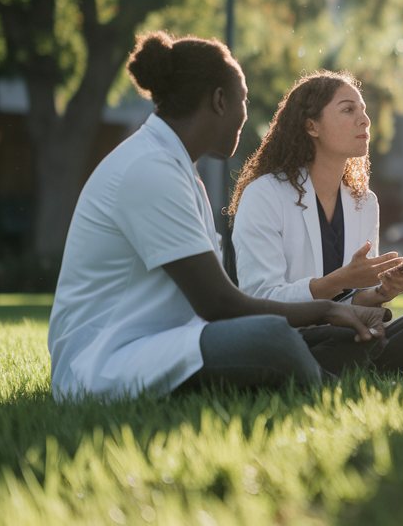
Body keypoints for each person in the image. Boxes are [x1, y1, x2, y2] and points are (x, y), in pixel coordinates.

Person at [48, 32, 385, 401]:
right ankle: (336, 387)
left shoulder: (177, 170)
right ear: (220, 100)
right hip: (105, 362)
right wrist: (327, 311)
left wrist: (337, 315)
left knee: (312, 333)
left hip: (169, 343)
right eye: (244, 100)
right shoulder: (149, 169)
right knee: (271, 339)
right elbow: (220, 304)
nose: (245, 114)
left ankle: (342, 360)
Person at [229, 70, 403, 374]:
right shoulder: (264, 194)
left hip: (346, 332)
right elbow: (261, 299)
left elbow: (356, 301)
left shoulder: (364, 202)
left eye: (364, 111)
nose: (365, 120)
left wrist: (383, 292)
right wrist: (339, 280)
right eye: (348, 110)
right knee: (350, 341)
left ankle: (366, 364)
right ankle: (397, 366)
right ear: (311, 126)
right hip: (287, 335)